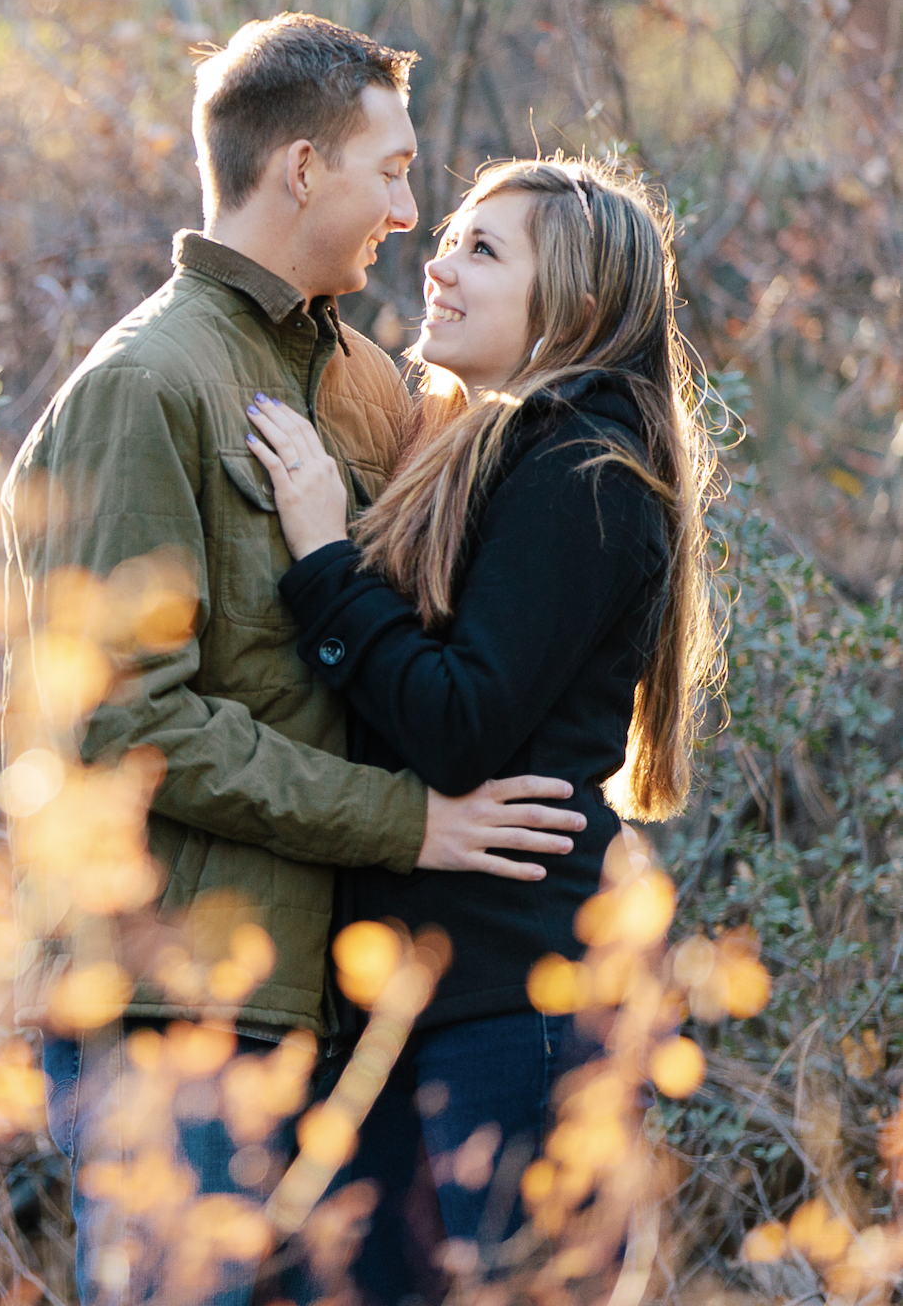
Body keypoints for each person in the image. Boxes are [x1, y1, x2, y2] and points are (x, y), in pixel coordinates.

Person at [0, 19, 587, 1305]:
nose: (408, 209)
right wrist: (413, 824)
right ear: (305, 168)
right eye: (391, 171)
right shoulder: (146, 386)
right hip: (175, 1018)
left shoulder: (364, 382)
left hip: (325, 1015)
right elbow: (125, 728)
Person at [243, 156, 718, 1299]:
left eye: (484, 251)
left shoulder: (585, 464)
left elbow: (460, 723)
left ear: (579, 306)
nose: (439, 266)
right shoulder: (482, 445)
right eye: (453, 237)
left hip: (521, 1001)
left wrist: (321, 558)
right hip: (428, 994)